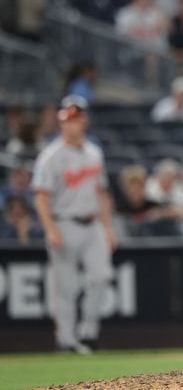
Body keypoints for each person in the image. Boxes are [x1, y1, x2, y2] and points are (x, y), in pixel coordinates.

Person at [31, 96, 116, 353]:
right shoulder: (50, 156)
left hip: (92, 225)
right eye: (66, 121)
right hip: (64, 223)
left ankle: (88, 332)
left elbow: (102, 193)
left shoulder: (94, 153)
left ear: (84, 122)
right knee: (66, 287)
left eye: (75, 120)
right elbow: (41, 196)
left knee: (102, 277)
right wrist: (50, 229)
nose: (71, 125)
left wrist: (108, 227)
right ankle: (66, 340)